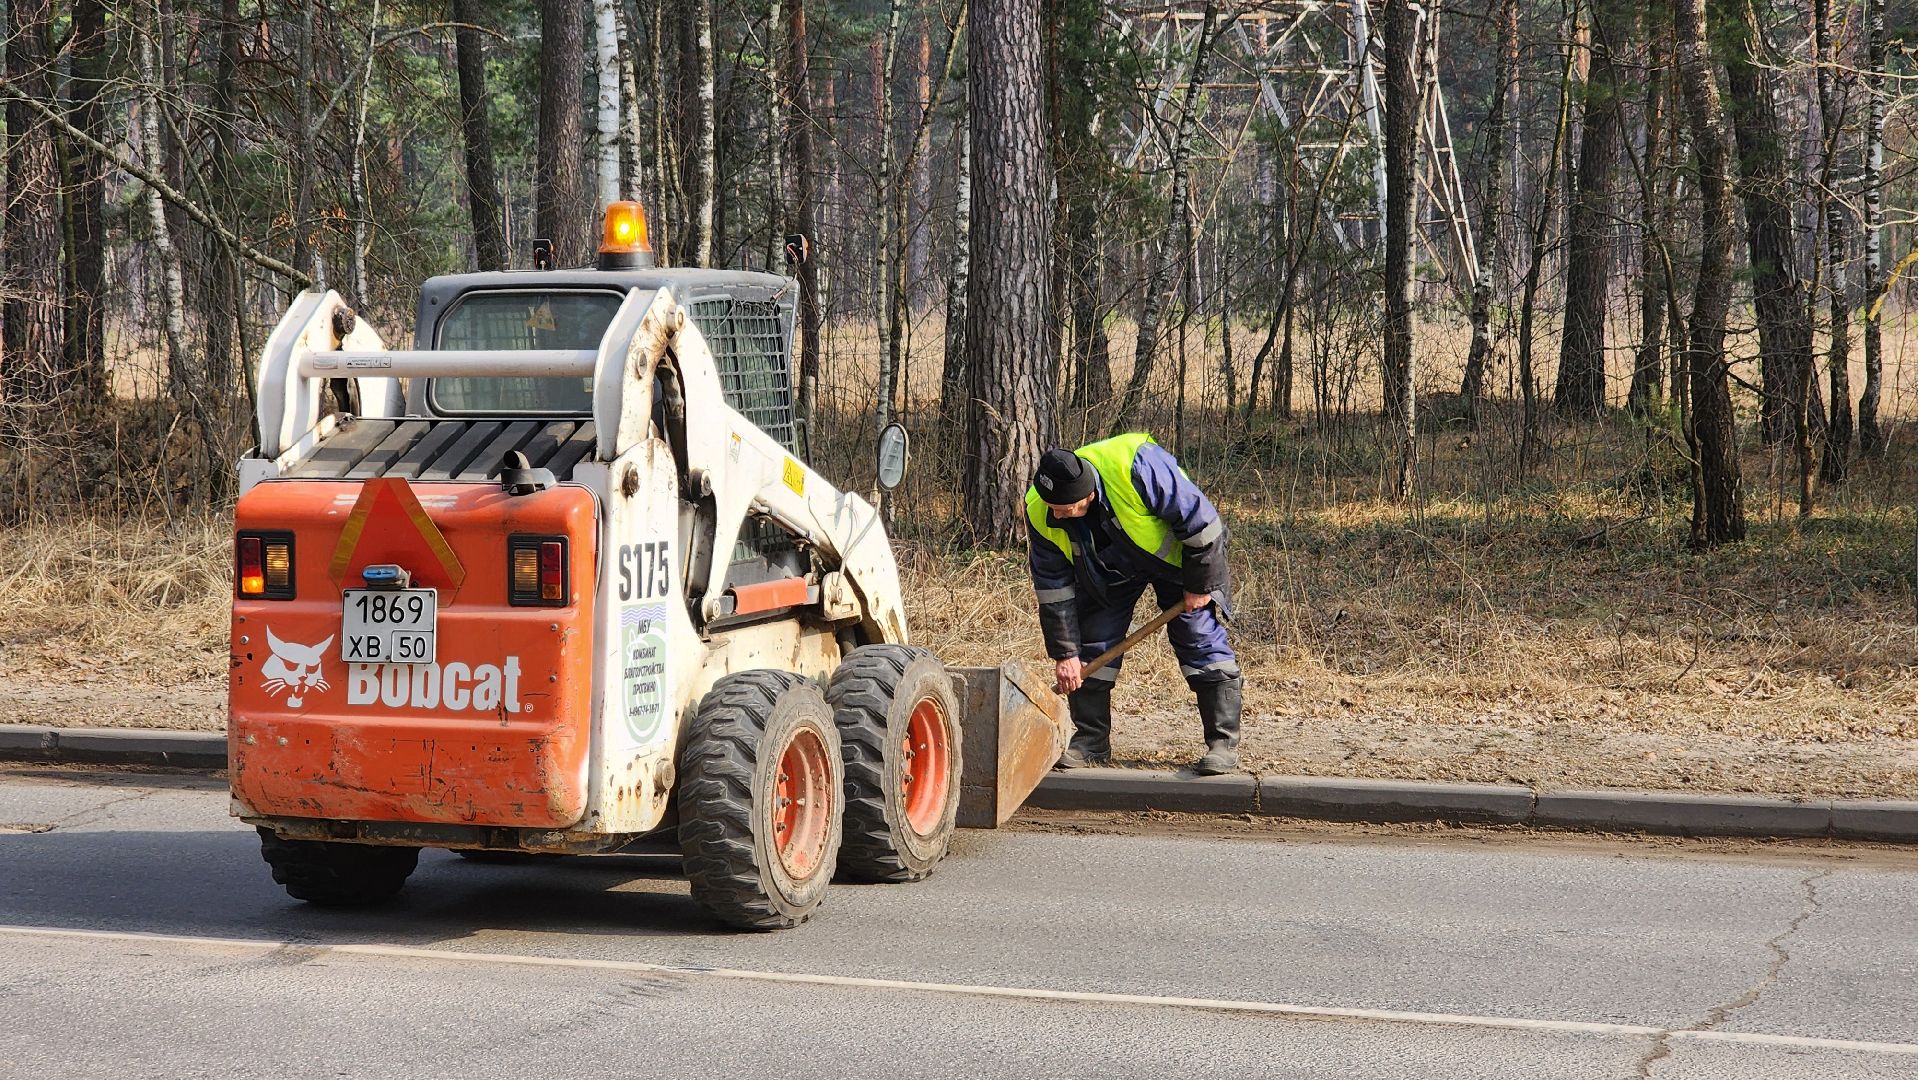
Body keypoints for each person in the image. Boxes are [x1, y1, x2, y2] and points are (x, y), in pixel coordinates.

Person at [1026, 433, 1241, 775]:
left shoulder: (1138, 465)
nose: (1059, 516)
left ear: (1090, 495)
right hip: (1107, 570)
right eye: (1054, 508)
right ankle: (1092, 741)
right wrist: (1065, 653)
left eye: (1067, 510)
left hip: (1178, 563)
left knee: (1198, 637)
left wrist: (1200, 584)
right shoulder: (1040, 509)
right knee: (1092, 643)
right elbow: (1053, 587)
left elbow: (1202, 524)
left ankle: (1222, 742)